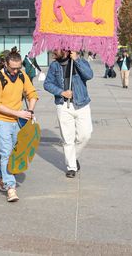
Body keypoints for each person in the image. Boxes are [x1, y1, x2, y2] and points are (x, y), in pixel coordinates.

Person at [0, 48, 38, 202]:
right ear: (6, 64)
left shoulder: (22, 76)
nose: (16, 71)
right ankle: (11, 187)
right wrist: (18, 113)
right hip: (1, 120)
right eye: (13, 68)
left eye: (19, 68)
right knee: (6, 152)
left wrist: (29, 110)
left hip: (18, 120)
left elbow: (32, 94)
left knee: (16, 152)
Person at [43, 49, 93, 178]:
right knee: (67, 138)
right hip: (63, 105)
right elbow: (47, 84)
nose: (53, 51)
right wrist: (61, 92)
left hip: (81, 103)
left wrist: (76, 60)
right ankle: (71, 166)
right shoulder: (54, 65)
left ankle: (73, 156)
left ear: (64, 49)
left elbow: (89, 75)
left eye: (56, 49)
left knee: (85, 135)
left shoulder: (79, 61)